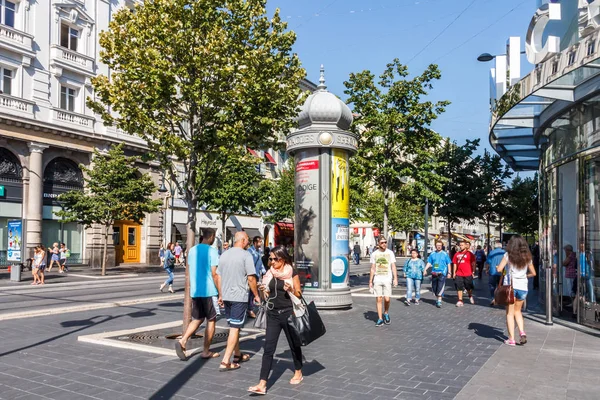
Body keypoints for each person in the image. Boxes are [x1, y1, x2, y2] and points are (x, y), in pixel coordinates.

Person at [247, 246, 303, 395]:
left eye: (275, 259)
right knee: (268, 348)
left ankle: (298, 371)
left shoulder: (291, 272)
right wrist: (263, 290)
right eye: (270, 259)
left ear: (283, 259)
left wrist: (291, 289)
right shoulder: (270, 273)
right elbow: (268, 294)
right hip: (272, 314)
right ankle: (262, 384)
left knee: (294, 345)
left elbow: (298, 294)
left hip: (288, 313)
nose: (271, 262)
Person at [175, 228, 221, 361]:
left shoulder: (193, 250)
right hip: (209, 290)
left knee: (197, 319)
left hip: (196, 291)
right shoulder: (212, 251)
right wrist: (220, 292)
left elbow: (190, 270)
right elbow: (214, 273)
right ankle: (206, 351)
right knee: (211, 320)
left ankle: (183, 341)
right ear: (211, 236)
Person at [217, 231, 260, 371]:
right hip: (239, 297)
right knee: (235, 328)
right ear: (242, 240)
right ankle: (225, 361)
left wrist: (220, 294)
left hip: (227, 296)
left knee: (234, 326)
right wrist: (256, 295)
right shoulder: (246, 255)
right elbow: (251, 278)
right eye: (247, 239)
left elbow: (218, 277)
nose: (248, 241)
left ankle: (237, 354)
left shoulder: (224, 254)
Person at [496, 235, 536, 346]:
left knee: (509, 313)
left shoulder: (508, 255)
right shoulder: (527, 257)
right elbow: (533, 273)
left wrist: (497, 268)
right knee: (518, 311)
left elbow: (499, 269)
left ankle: (511, 339)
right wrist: (523, 276)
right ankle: (522, 332)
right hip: (523, 287)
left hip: (511, 288)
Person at [369, 237, 398, 326]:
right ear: (378, 244)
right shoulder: (374, 254)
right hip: (377, 278)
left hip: (387, 278)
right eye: (382, 243)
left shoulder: (390, 253)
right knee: (379, 298)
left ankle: (386, 312)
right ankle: (380, 318)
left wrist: (395, 278)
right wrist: (370, 281)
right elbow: (373, 268)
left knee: (387, 299)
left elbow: (393, 266)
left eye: (385, 242)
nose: (384, 244)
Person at [425, 240, 452, 308]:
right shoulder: (432, 254)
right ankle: (438, 298)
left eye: (440, 245)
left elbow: (448, 263)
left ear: (442, 246)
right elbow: (429, 262)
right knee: (434, 288)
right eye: (437, 245)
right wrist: (425, 269)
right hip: (434, 273)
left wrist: (449, 272)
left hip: (442, 273)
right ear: (435, 246)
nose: (439, 247)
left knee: (440, 286)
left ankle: (439, 301)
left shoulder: (445, 254)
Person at [451, 240, 476, 307]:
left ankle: (470, 295)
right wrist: (454, 273)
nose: (461, 246)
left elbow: (473, 263)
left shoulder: (470, 254)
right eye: (460, 245)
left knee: (468, 287)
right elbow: (455, 264)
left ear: (465, 245)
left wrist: (473, 272)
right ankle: (460, 300)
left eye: (462, 245)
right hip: (459, 273)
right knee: (459, 287)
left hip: (468, 273)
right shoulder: (457, 254)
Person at [247, 236, 266, 318]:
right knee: (251, 292)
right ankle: (249, 309)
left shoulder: (259, 251)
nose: (261, 243)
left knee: (253, 292)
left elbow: (260, 262)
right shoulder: (250, 251)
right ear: (255, 242)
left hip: (257, 274)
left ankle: (250, 307)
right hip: (251, 274)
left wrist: (264, 271)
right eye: (259, 242)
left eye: (261, 241)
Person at [485, 242, 506, 306]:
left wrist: (486, 269)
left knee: (492, 286)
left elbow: (488, 262)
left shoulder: (491, 252)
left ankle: (493, 298)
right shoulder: (505, 252)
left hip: (493, 271)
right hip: (502, 272)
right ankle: (501, 299)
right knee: (502, 286)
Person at [562, 244, 577, 317]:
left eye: (565, 250)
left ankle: (573, 302)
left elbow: (564, 263)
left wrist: (565, 258)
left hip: (570, 274)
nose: (565, 252)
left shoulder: (570, 256)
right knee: (572, 289)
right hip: (573, 274)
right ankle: (573, 302)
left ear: (568, 250)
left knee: (570, 290)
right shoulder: (574, 254)